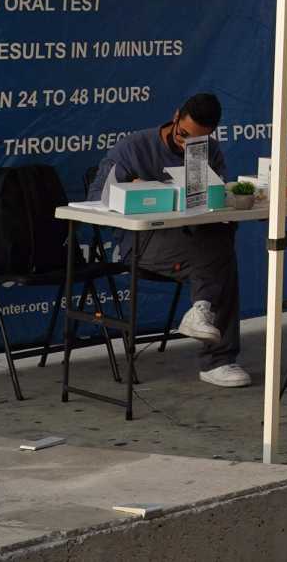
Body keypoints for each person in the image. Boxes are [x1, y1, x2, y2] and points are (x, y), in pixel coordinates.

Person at [96, 92, 250, 388]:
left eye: (196, 142)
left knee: (219, 242)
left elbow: (216, 203)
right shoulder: (134, 148)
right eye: (182, 135)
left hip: (193, 239)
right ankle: (218, 359)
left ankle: (203, 314)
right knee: (219, 259)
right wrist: (135, 191)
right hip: (143, 241)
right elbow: (97, 200)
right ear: (175, 116)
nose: (185, 143)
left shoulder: (210, 152)